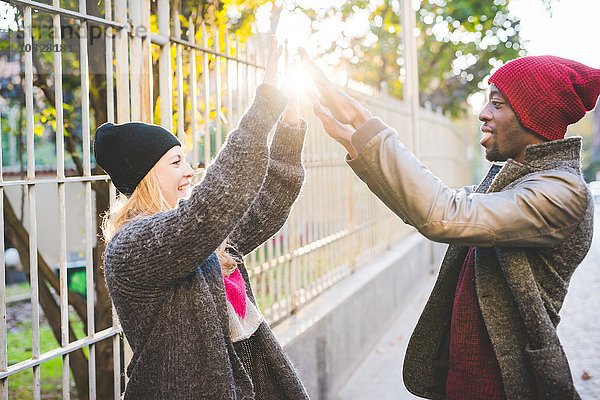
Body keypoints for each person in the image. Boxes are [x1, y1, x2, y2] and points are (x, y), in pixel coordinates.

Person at [301, 50, 600, 400]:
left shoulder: (562, 193)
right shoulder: (514, 184)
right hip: (467, 382)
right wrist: (357, 141)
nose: (483, 114)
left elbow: (442, 213)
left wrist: (364, 121)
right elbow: (429, 202)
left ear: (533, 117)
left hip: (507, 387)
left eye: (498, 104)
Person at [94, 39, 309, 400]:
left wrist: (289, 125)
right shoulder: (132, 247)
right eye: (176, 162)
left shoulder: (192, 239)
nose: (190, 171)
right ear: (146, 175)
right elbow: (209, 210)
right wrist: (262, 110)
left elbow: (264, 207)